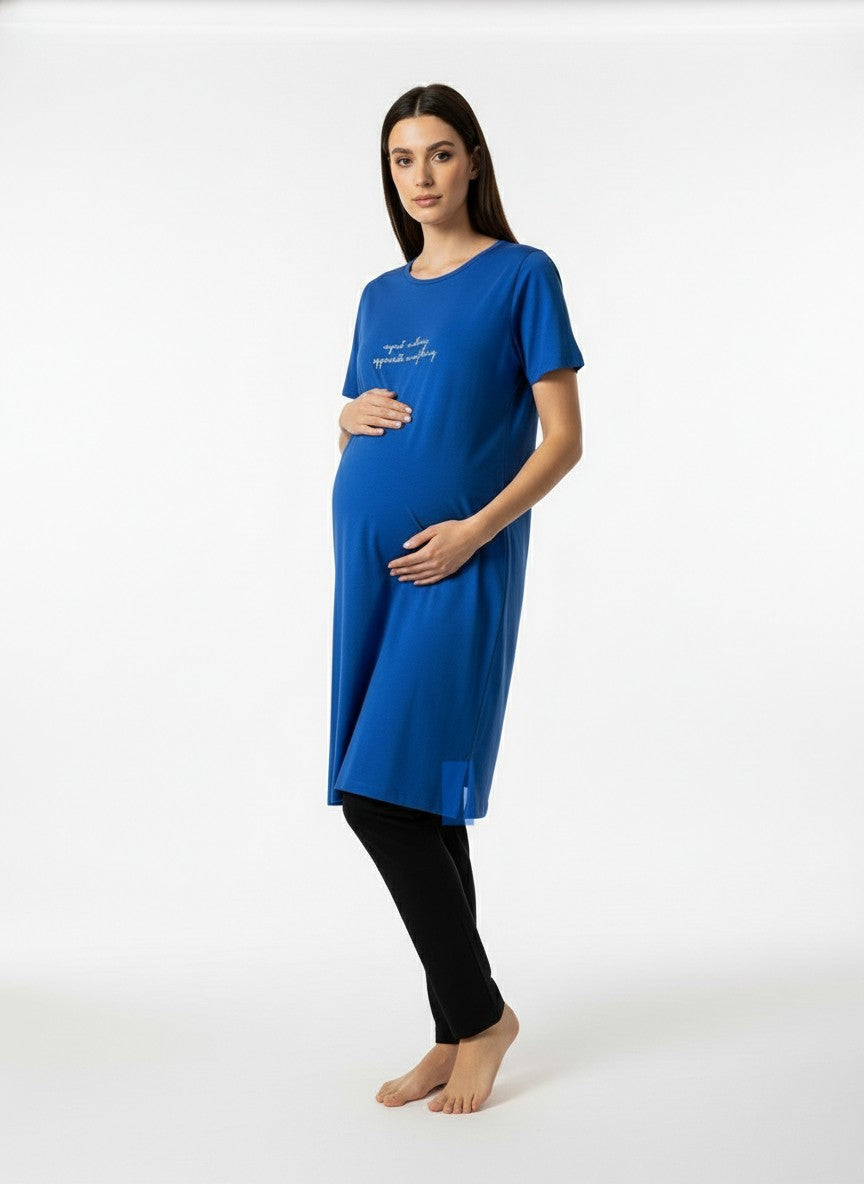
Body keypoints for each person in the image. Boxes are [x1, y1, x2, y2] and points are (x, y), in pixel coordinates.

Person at [328, 83, 585, 1115]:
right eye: (402, 159)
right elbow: (368, 420)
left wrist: (476, 529)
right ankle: (451, 1028)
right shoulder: (378, 296)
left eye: (439, 153)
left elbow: (563, 440)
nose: (421, 176)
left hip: (459, 563)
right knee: (422, 796)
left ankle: (482, 1017)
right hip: (370, 575)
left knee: (378, 799)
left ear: (473, 160)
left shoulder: (523, 275)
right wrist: (344, 417)